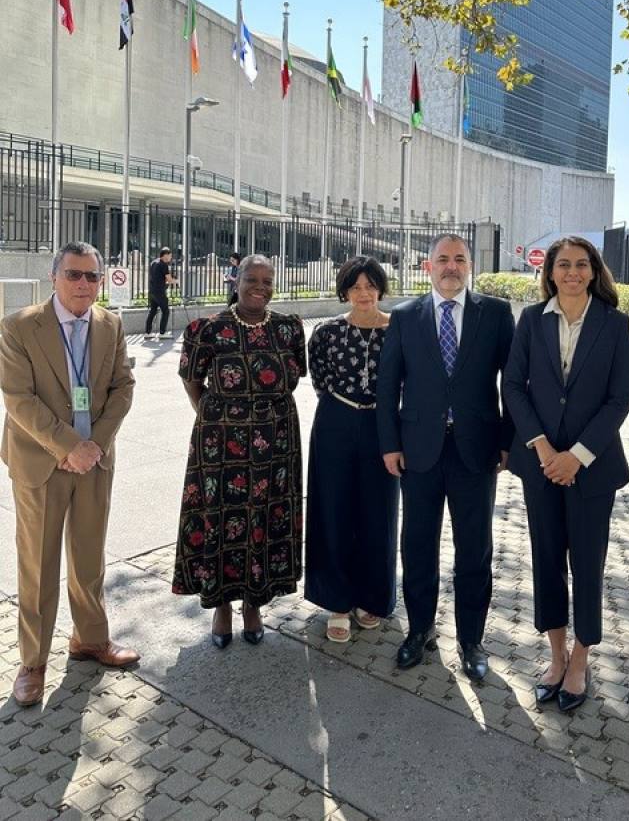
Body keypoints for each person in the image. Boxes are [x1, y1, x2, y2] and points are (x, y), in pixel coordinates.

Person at [0, 241, 139, 707]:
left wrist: (93, 444)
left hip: (94, 461)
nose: (83, 284)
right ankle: (33, 661)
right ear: (53, 276)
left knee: (88, 555)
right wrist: (67, 446)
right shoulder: (19, 326)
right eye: (74, 275)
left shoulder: (110, 324)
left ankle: (90, 639)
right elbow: (19, 400)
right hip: (42, 463)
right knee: (38, 564)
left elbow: (122, 388)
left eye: (92, 277)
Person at [376, 233, 515, 681]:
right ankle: (419, 631)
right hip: (418, 451)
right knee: (417, 545)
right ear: (427, 266)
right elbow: (387, 387)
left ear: (469, 265)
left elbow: (512, 385)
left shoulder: (494, 314)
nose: (451, 266)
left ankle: (472, 640)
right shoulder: (404, 317)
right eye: (443, 259)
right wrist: (389, 443)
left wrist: (508, 441)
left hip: (476, 450)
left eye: (459, 259)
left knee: (474, 549)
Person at [503, 237, 629, 712]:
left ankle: (581, 658)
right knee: (547, 562)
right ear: (551, 273)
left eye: (582, 264)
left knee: (587, 566)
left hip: (591, 469)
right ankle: (555, 656)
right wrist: (542, 446)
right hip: (540, 465)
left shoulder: (616, 324)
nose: (573, 272)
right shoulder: (531, 321)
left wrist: (576, 455)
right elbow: (514, 386)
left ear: (594, 271)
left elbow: (619, 399)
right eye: (564, 265)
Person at [172, 254, 307, 648]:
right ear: (237, 279)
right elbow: (192, 380)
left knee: (265, 515)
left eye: (267, 280)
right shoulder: (207, 329)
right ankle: (222, 606)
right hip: (221, 441)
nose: (260, 286)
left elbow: (294, 377)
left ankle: (254, 602)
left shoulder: (289, 328)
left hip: (277, 439)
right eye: (252, 278)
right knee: (223, 514)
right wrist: (216, 417)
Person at [305, 257, 399, 643]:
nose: (364, 293)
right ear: (344, 290)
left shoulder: (399, 330)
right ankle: (338, 602)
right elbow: (320, 380)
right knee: (334, 510)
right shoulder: (326, 333)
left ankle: (371, 596)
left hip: (383, 426)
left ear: (380, 288)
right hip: (336, 422)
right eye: (356, 286)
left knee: (378, 513)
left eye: (371, 285)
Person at [145, 246, 177, 340]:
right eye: (170, 256)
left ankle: (148, 332)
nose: (170, 258)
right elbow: (170, 280)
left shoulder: (153, 262)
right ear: (165, 255)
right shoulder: (163, 265)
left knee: (153, 311)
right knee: (166, 311)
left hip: (152, 291)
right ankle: (162, 333)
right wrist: (176, 281)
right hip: (160, 292)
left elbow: (157, 277)